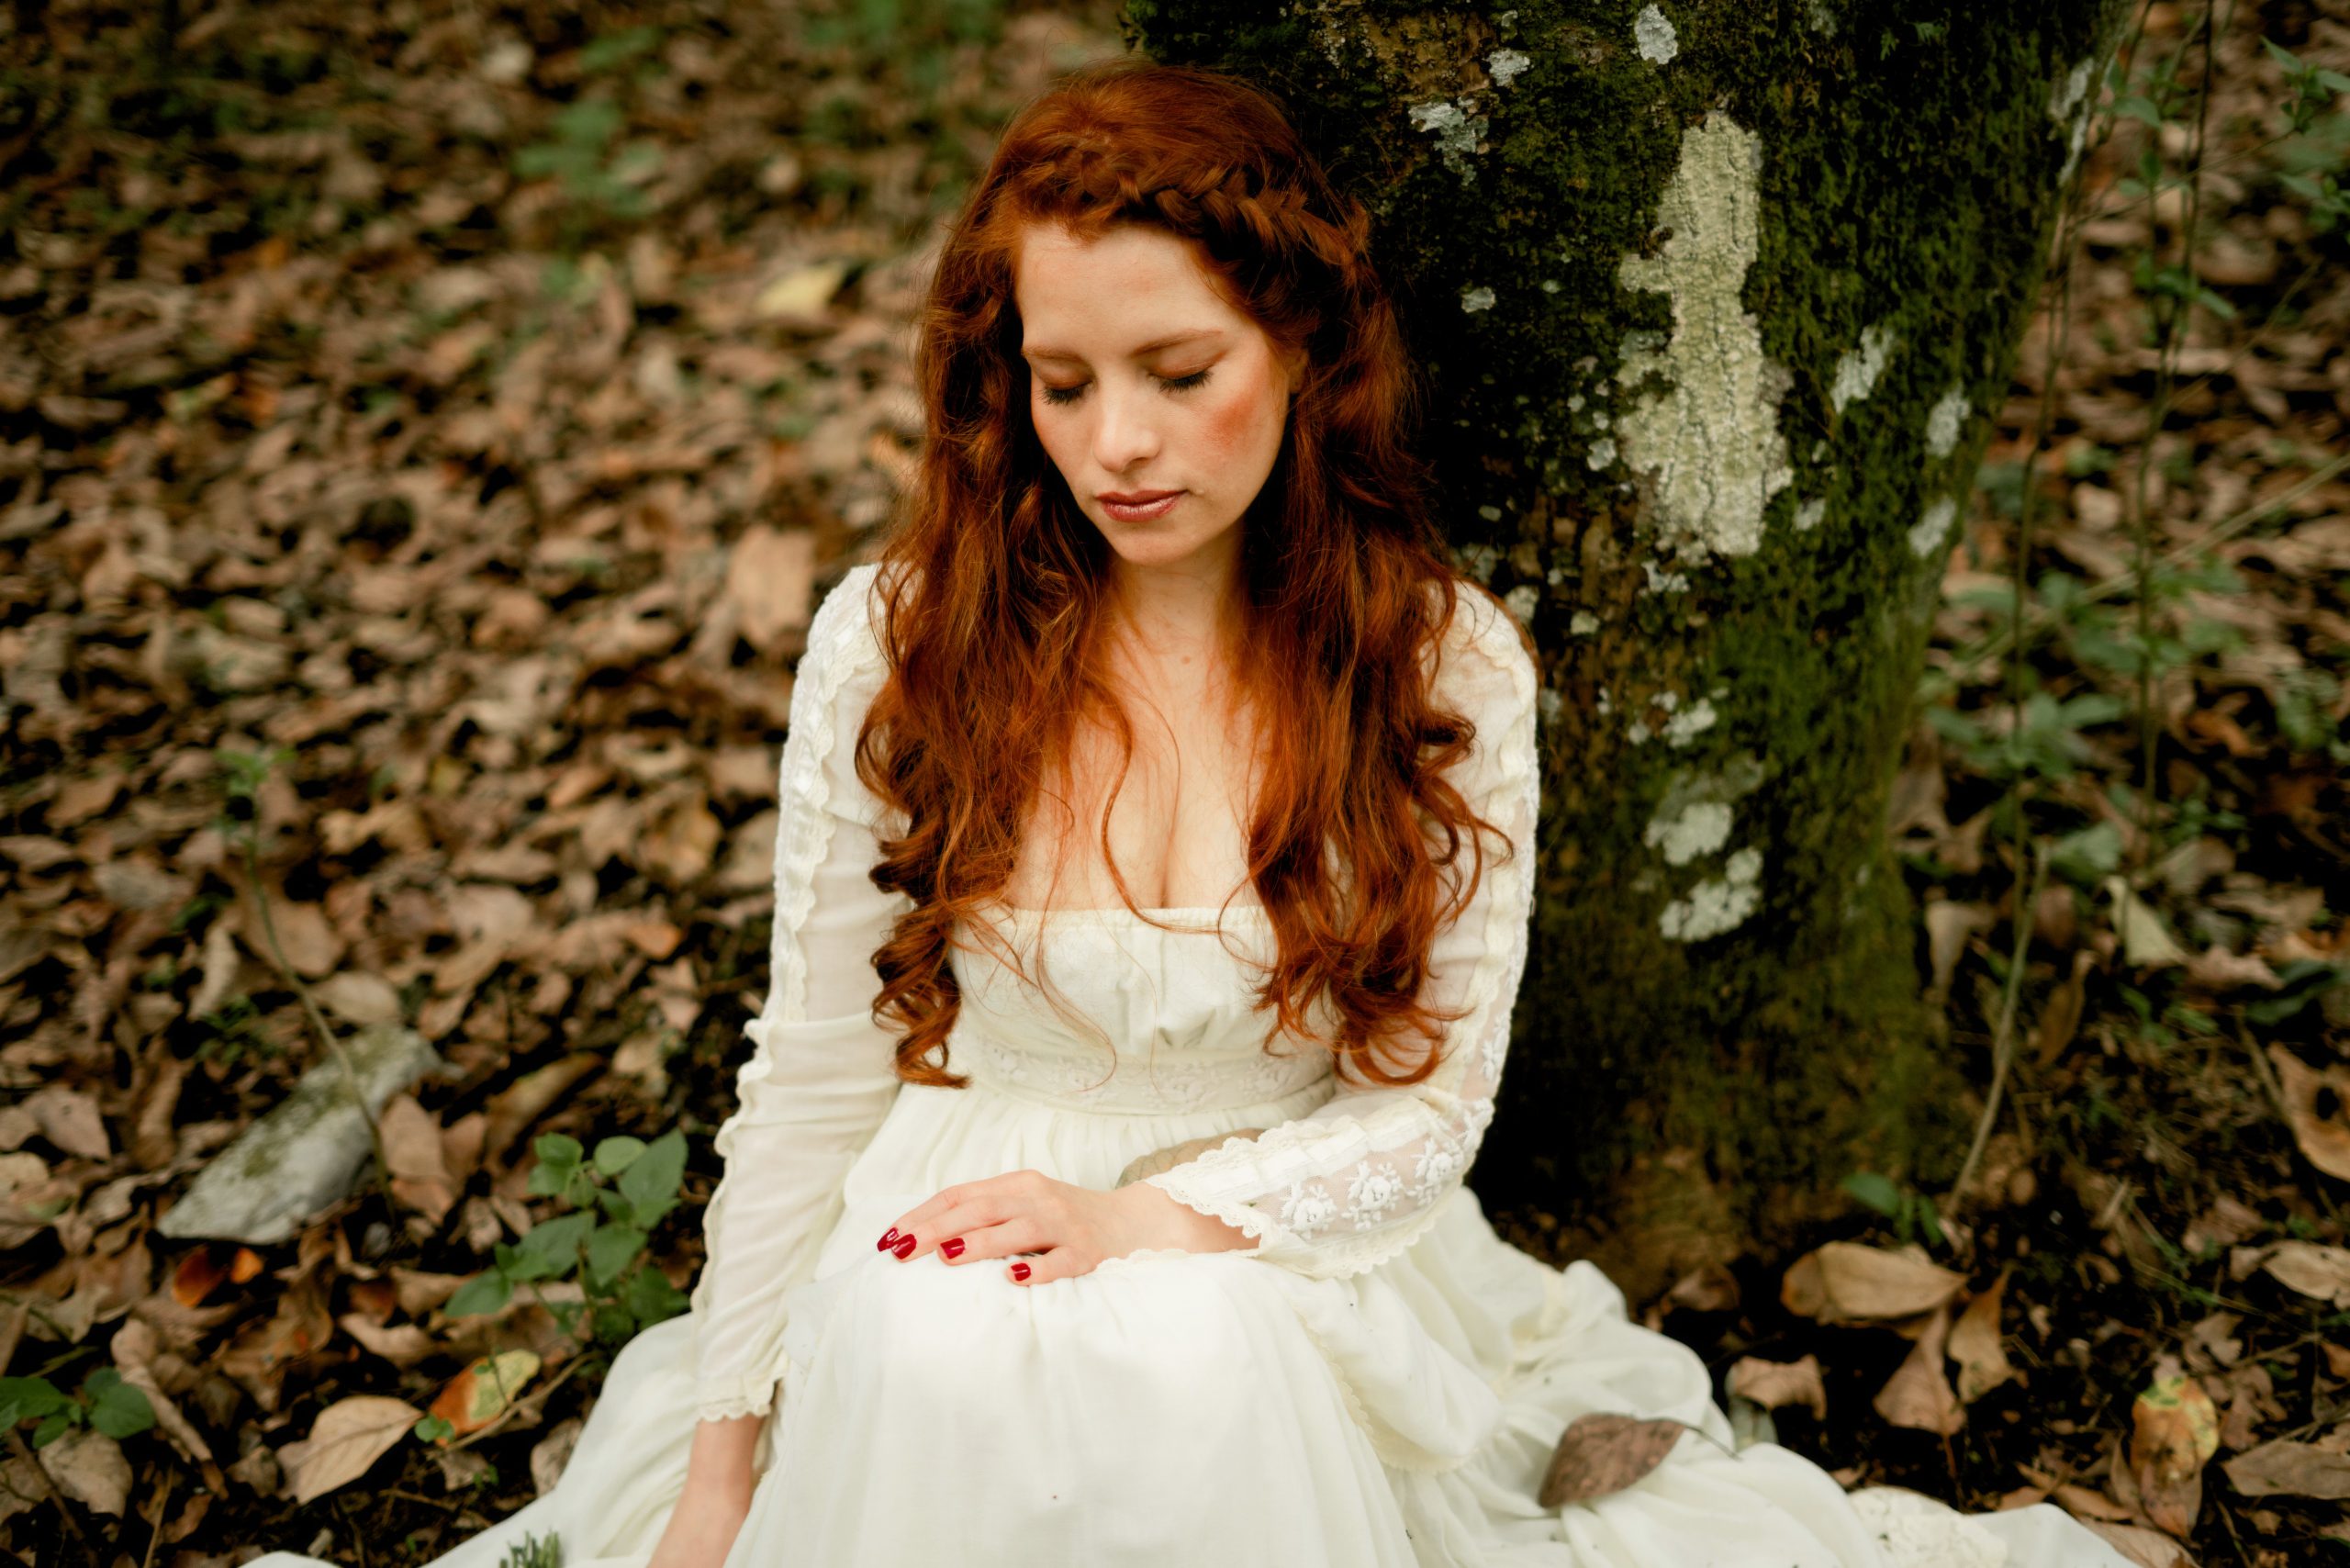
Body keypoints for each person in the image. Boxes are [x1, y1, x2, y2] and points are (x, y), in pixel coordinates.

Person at [252, 59, 2138, 1568]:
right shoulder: (899, 640)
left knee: (1185, 1352)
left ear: (1301, 353)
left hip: (1273, 1235)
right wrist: (725, 1466)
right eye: (1062, 383)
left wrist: (1143, 1215)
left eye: (1179, 373)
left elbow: (1427, 1106)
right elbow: (813, 1068)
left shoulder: (1439, 665)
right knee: (928, 1340)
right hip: (946, 1214)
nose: (1118, 445)